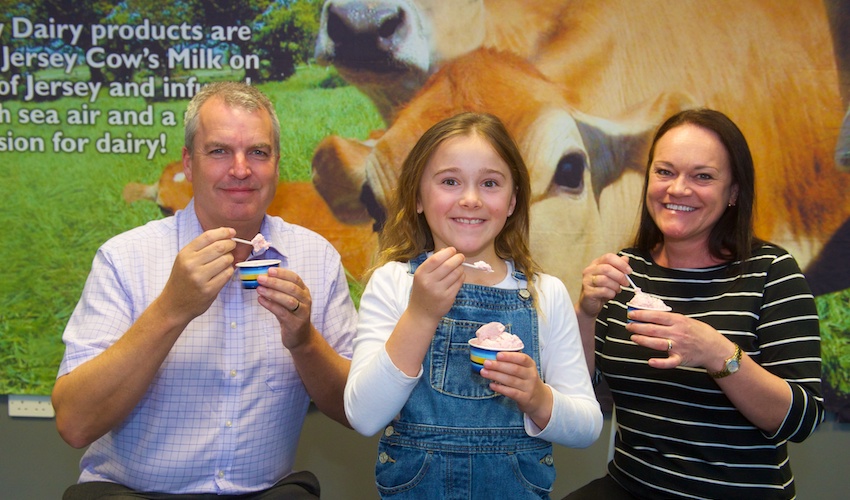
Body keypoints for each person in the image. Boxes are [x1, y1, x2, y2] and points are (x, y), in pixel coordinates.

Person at [52, 81, 357, 499]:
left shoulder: (315, 258)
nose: (240, 170)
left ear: (277, 164)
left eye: (258, 152)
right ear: (188, 164)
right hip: (132, 492)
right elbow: (74, 423)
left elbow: (355, 410)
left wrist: (305, 342)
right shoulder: (125, 258)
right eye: (218, 151)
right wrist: (171, 310)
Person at [566, 108, 824, 499]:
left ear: (733, 192)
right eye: (665, 172)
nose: (678, 190)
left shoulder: (772, 272)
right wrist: (586, 313)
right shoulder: (625, 270)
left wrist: (715, 352)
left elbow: (800, 419)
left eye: (702, 176)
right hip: (631, 486)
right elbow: (582, 393)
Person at [344, 112, 603, 498]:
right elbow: (363, 416)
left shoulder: (544, 293)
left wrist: (538, 398)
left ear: (513, 200)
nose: (470, 199)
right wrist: (421, 314)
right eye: (450, 181)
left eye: (490, 183)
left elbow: (588, 428)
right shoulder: (393, 283)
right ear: (417, 197)